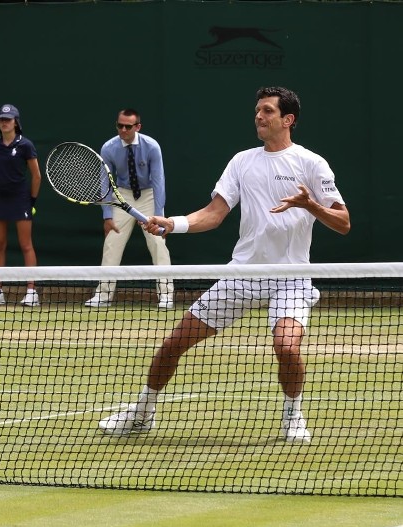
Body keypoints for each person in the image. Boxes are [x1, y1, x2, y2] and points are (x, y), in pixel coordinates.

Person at [99, 86, 350, 444]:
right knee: (174, 343)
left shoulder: (311, 164)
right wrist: (174, 223)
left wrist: (310, 206)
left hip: (291, 277)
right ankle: (142, 411)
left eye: (267, 111)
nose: (259, 117)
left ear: (287, 119)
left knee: (287, 347)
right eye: (257, 111)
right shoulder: (242, 161)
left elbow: (343, 222)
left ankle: (293, 416)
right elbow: (214, 214)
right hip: (242, 274)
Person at [84, 109, 174, 310]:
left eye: (128, 126)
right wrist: (107, 215)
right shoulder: (109, 148)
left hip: (149, 195)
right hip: (122, 195)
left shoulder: (151, 147)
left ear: (138, 127)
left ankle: (166, 295)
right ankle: (103, 295)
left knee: (158, 244)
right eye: (120, 125)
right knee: (112, 244)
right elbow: (105, 182)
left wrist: (159, 215)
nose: (123, 130)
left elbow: (159, 181)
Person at [0, 104, 41, 307]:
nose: (4, 122)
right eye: (1, 119)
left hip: (20, 200)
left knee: (25, 244)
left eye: (8, 119)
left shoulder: (26, 145)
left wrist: (31, 200)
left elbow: (36, 175)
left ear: (16, 122)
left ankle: (32, 292)